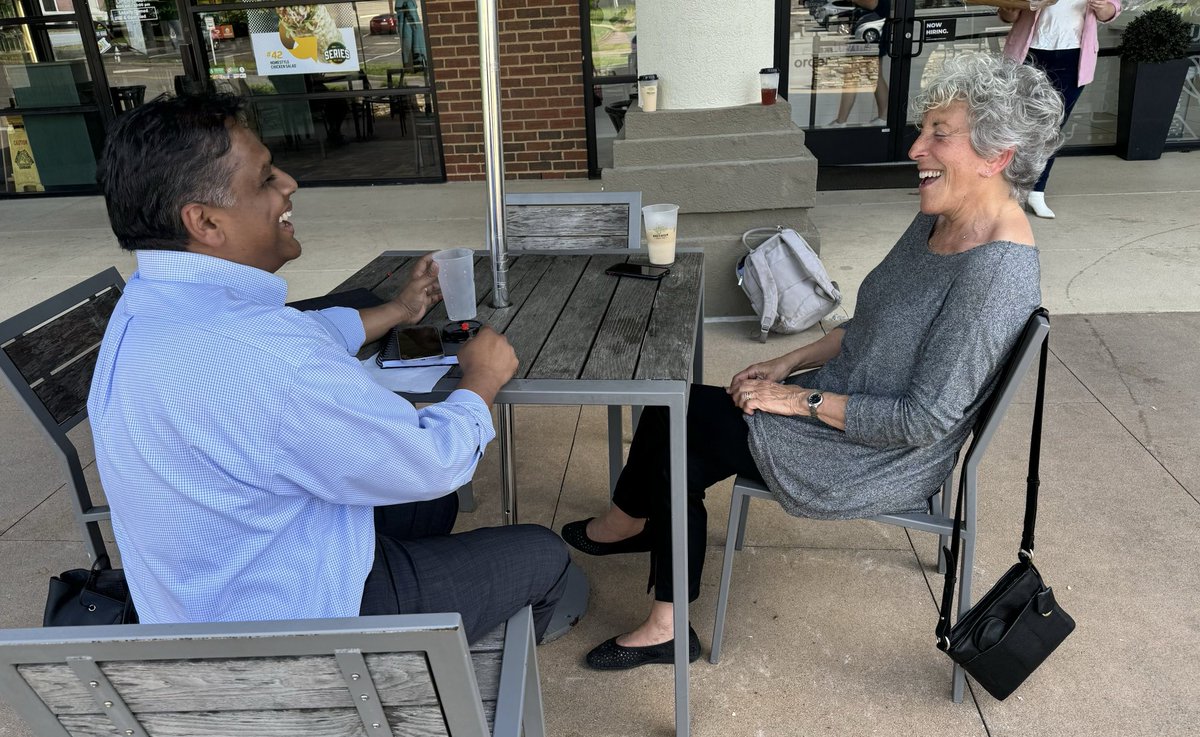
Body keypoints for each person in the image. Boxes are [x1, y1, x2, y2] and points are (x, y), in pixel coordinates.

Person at [561, 53, 1063, 669]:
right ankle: (632, 534)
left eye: (939, 134)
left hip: (874, 455)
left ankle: (652, 586)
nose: (915, 149)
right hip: (841, 406)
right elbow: (870, 323)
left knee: (678, 423)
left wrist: (797, 399)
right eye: (922, 130)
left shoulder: (994, 276)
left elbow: (924, 423)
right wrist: (785, 364)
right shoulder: (941, 219)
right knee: (679, 412)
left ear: (997, 157)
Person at [89, 93, 570, 643]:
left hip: (197, 598)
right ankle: (432, 686)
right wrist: (482, 380)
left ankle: (432, 608)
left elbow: (300, 337)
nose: (289, 184)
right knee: (541, 554)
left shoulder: (150, 302)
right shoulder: (267, 355)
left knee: (424, 501)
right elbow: (431, 460)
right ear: (204, 221)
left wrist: (400, 311)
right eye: (266, 179)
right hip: (306, 624)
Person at [1000, 0, 1121, 218]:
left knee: (1052, 127)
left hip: (1073, 55)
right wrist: (1009, 11)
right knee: (1014, 123)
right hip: (1028, 53)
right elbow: (1008, 13)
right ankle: (1006, 187)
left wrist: (1103, 8)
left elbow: (1111, 9)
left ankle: (1036, 190)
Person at [828, 0, 890, 127]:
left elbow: (872, 3)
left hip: (869, 31)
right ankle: (884, 117)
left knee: (851, 77)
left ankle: (841, 121)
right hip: (870, 30)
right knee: (874, 75)